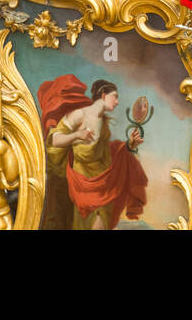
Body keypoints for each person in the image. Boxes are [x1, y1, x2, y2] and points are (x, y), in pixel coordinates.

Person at [39, 76, 148, 230]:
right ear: (104, 95)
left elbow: (109, 154)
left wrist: (129, 145)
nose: (117, 102)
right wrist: (76, 136)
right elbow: (54, 140)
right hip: (82, 184)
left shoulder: (103, 123)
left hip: (103, 185)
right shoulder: (79, 115)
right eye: (115, 97)